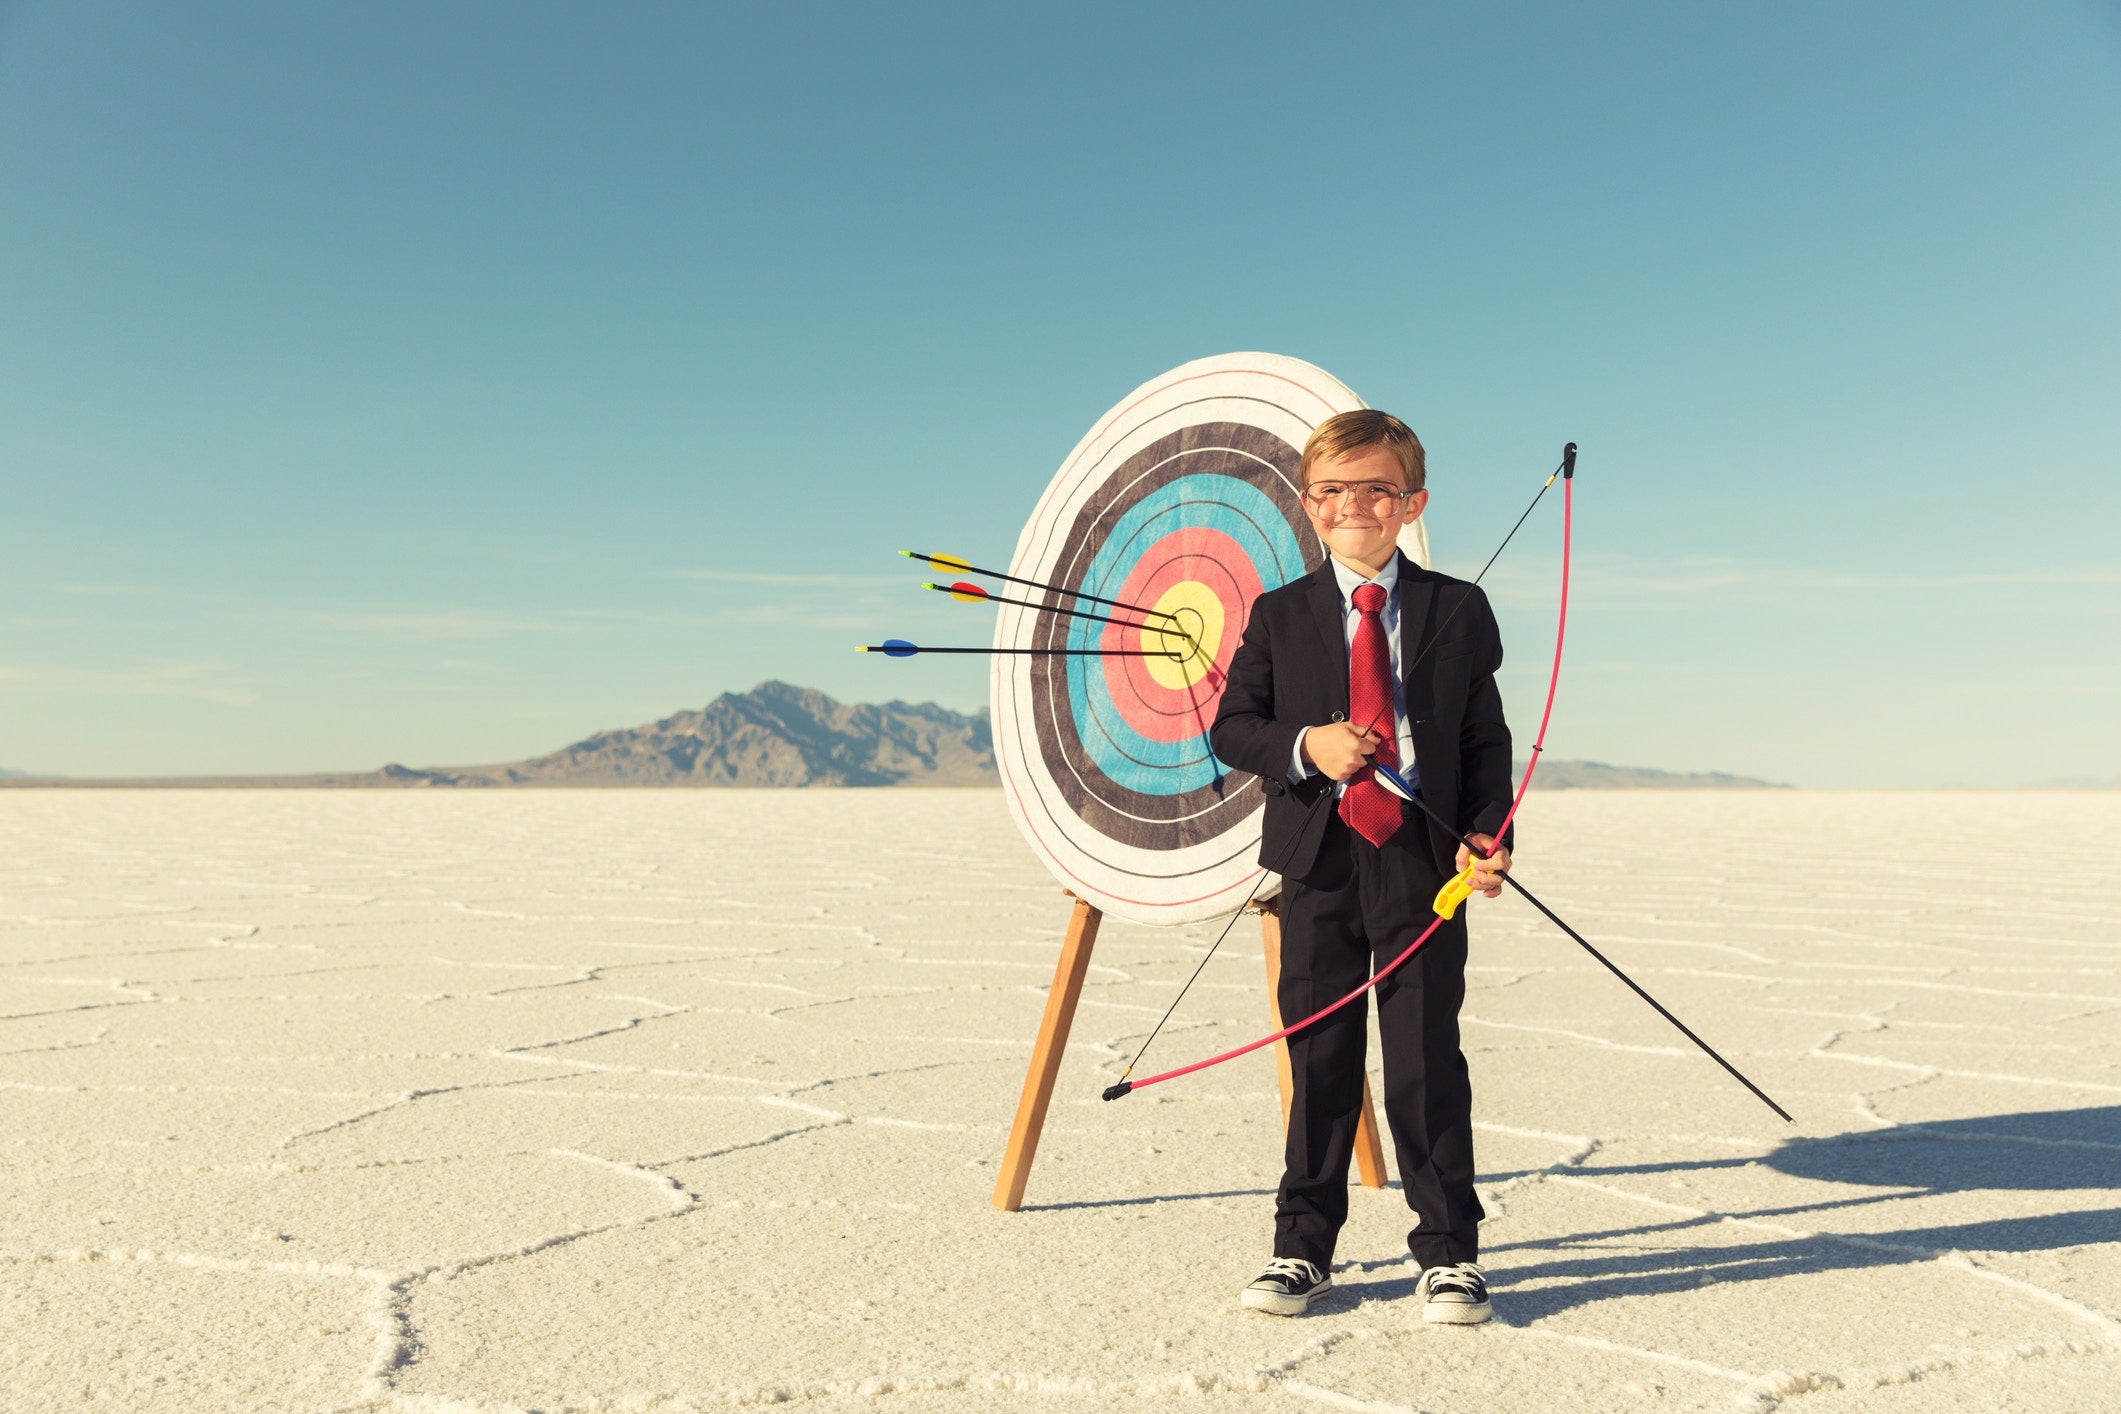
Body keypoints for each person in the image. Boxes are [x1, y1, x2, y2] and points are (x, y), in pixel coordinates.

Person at [1208, 409, 1514, 1325]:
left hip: (1423, 860)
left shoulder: (1458, 606)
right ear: (1309, 505)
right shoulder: (1278, 613)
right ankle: (1301, 1249)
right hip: (1319, 860)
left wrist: (1487, 833)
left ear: (1411, 503)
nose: (1356, 506)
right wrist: (1309, 744)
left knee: (1424, 1058)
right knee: (1321, 1057)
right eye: (1334, 491)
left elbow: (1483, 738)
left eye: (1378, 490)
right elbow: (1234, 729)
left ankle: (1449, 1254)